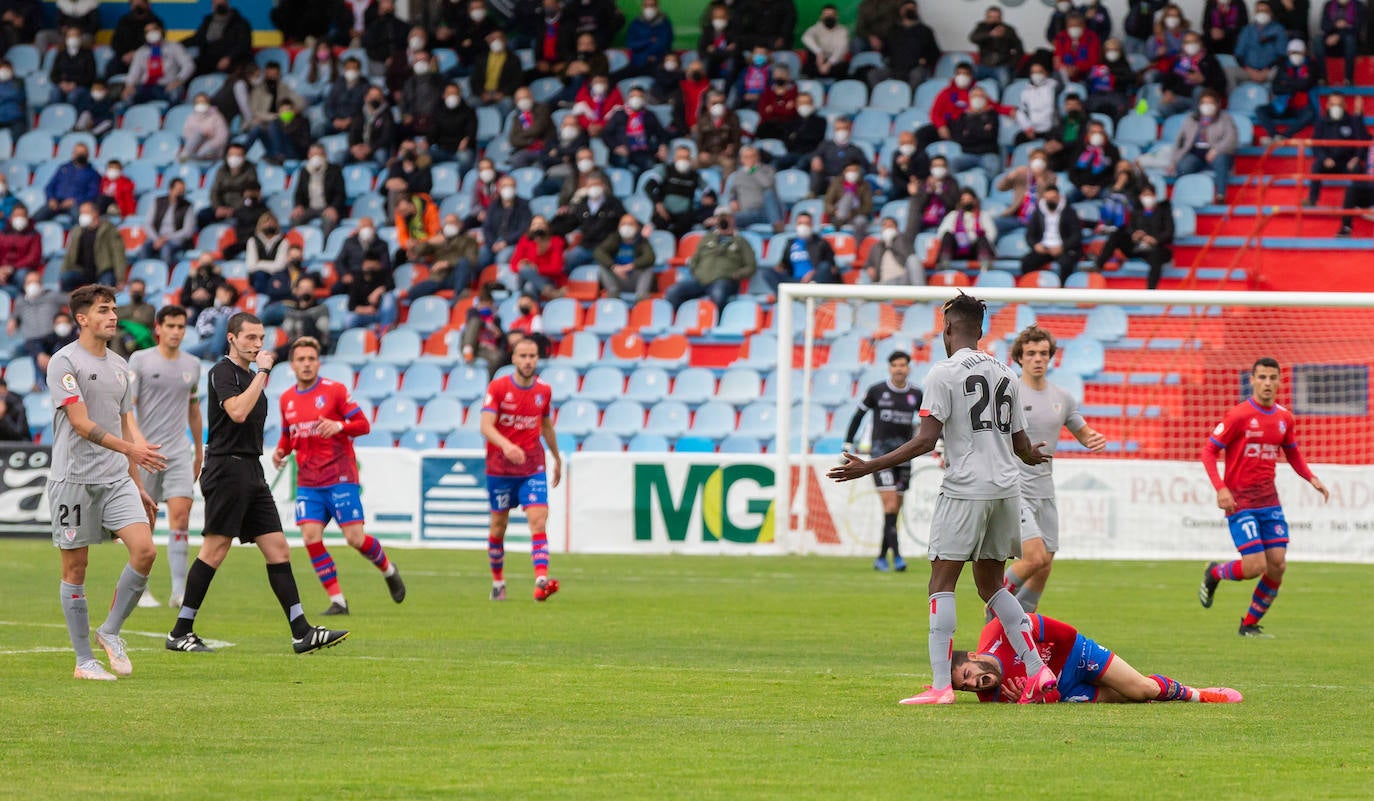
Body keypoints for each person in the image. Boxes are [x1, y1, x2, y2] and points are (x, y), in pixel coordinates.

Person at [828, 292, 1056, 705]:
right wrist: (1033, 455)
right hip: (1007, 490)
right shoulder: (1006, 372)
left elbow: (925, 441)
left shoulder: (943, 373)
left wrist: (870, 465)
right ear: (981, 330)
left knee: (941, 582)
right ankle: (1039, 670)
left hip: (966, 489)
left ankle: (940, 686)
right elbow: (1022, 445)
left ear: (947, 328)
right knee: (991, 586)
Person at [165, 312, 349, 655]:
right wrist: (263, 372)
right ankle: (180, 630)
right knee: (215, 550)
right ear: (232, 338)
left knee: (278, 549)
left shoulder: (249, 376)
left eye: (261, 338)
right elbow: (236, 412)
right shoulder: (223, 371)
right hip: (226, 470)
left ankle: (301, 632)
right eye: (250, 337)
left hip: (251, 470)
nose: (257, 344)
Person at [47, 284, 166, 680]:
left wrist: (137, 485)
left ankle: (110, 631)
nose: (113, 316)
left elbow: (122, 424)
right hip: (74, 480)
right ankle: (84, 662)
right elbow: (80, 424)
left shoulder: (120, 366)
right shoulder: (64, 362)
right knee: (76, 568)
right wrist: (132, 451)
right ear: (82, 318)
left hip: (116, 477)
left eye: (113, 309)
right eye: (103, 310)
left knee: (145, 550)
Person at [272, 337, 405, 615]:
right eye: (301, 360)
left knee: (355, 538)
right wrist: (281, 452)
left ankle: (388, 569)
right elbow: (288, 435)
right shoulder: (286, 399)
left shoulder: (335, 391)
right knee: (310, 537)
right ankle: (338, 601)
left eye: (311, 359)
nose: (306, 364)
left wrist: (339, 425)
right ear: (292, 365)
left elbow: (363, 425)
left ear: (318, 362)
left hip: (339, 476)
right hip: (308, 482)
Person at [1198, 357, 1329, 636]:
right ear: (1252, 380)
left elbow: (1292, 453)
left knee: (1278, 565)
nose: (1267, 383)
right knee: (1255, 565)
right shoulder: (1239, 416)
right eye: (1262, 378)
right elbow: (1208, 451)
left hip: (1269, 501)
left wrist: (1311, 477)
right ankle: (1215, 573)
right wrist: (1221, 487)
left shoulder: (1284, 418)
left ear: (1279, 381)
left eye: (1273, 378)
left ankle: (1249, 625)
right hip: (1240, 501)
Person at [998, 327, 1106, 613]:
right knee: (1033, 557)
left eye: (1043, 353)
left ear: (1051, 357)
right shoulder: (1009, 394)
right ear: (1019, 358)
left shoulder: (1063, 397)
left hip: (1045, 488)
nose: (1038, 359)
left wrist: (1092, 438)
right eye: (1031, 353)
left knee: (1045, 564)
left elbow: (1081, 431)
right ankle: (996, 606)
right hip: (1014, 487)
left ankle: (1020, 626)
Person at [950, 614, 1243, 704]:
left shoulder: (1002, 629)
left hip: (1077, 654)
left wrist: (1043, 675)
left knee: (1143, 688)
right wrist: (1033, 699)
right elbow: (1046, 703)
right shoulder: (993, 697)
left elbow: (1065, 634)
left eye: (968, 675)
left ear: (974, 655)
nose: (974, 684)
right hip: (1066, 690)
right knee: (1133, 698)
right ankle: (1157, 694)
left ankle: (1199, 694)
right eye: (966, 688)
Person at [127, 305, 202, 610]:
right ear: (158, 328)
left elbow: (193, 409)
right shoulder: (140, 360)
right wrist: (138, 443)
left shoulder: (193, 364)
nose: (175, 332)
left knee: (181, 518)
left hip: (179, 452)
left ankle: (179, 592)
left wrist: (199, 448)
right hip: (146, 454)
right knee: (144, 522)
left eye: (181, 326)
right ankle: (140, 589)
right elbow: (127, 408)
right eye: (170, 325)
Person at [480, 338, 563, 602]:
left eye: (532, 356)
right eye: (523, 356)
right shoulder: (498, 387)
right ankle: (498, 582)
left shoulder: (544, 391)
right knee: (498, 527)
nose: (528, 361)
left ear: (537, 359)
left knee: (538, 521)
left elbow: (546, 426)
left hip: (532, 467)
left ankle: (541, 580)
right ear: (513, 359)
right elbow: (485, 425)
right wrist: (506, 446)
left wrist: (557, 457)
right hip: (500, 469)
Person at [843, 351, 922, 572]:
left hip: (905, 457)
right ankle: (897, 557)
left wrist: (941, 443)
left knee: (894, 509)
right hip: (879, 457)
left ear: (908, 368)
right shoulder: (877, 391)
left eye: (902, 365)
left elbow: (930, 420)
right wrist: (848, 444)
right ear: (889, 368)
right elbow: (858, 416)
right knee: (889, 504)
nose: (899, 368)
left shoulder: (916, 394)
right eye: (895, 365)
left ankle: (880, 557)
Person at [666, 209, 757, 310]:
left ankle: (716, 322)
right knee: (673, 292)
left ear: (732, 219)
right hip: (700, 280)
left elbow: (751, 266)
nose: (723, 220)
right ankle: (689, 318)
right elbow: (694, 259)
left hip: (724, 280)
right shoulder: (707, 238)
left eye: (726, 217)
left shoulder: (741, 241)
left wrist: (735, 275)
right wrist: (697, 272)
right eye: (719, 217)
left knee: (718, 295)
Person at [1093, 184, 1175, 288]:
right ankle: (1098, 265)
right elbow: (1129, 228)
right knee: (1116, 235)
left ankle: (1151, 291)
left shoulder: (1164, 211)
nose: (1146, 198)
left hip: (1156, 248)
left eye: (1149, 194)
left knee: (1156, 256)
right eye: (1144, 195)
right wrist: (1134, 234)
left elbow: (1169, 232)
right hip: (1137, 247)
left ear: (1155, 196)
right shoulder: (1137, 211)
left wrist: (1155, 239)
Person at [1168, 91, 1238, 205]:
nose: (1207, 106)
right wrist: (1173, 161)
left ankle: (1220, 195)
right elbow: (1179, 141)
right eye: (1204, 103)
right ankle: (1183, 196)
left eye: (1210, 103)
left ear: (1217, 104)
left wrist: (1216, 150)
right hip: (1195, 153)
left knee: (1221, 159)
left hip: (1216, 154)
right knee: (1184, 166)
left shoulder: (1225, 118)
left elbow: (1231, 139)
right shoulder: (1191, 118)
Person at [1255, 40, 1322, 144]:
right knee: (1260, 110)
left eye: (1298, 52)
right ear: (1288, 53)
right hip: (1283, 105)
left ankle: (1284, 136)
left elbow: (1305, 85)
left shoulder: (1312, 66)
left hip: (1301, 106)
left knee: (1309, 114)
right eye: (1292, 53)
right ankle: (1274, 135)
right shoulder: (1282, 66)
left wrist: (1287, 82)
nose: (1295, 55)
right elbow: (1276, 88)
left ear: (1304, 53)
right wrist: (1296, 83)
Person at [1310, 94, 1369, 207]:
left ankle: (1360, 203)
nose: (1336, 107)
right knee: (1316, 166)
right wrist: (1324, 158)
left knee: (1358, 168)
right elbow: (1315, 144)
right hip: (1328, 162)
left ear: (1345, 106)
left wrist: (1356, 158)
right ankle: (1312, 200)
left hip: (1347, 163)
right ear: (1327, 105)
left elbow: (1362, 140)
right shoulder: (1321, 122)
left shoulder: (1352, 120)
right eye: (1333, 104)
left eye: (1339, 105)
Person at [1019, 183, 1084, 283]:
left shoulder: (1069, 212)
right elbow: (1029, 235)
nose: (1050, 200)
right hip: (1044, 248)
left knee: (1067, 264)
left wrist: (1063, 247)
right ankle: (1031, 289)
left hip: (1063, 248)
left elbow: (1076, 235)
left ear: (1059, 197)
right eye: (1047, 198)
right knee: (1027, 263)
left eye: (1053, 197)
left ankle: (1062, 292)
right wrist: (1036, 245)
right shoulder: (1038, 212)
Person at [763, 212, 837, 294]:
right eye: (800, 223)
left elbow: (831, 267)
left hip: (814, 280)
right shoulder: (790, 243)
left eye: (806, 223)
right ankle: (782, 297)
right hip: (794, 281)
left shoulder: (821, 243)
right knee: (768, 272)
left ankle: (812, 295)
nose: (803, 226)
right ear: (796, 225)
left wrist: (812, 273)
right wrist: (780, 267)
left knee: (824, 267)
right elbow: (785, 264)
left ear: (811, 225)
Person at [123, 20, 194, 104]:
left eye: (154, 29)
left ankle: (171, 116)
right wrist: (129, 85)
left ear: (161, 30)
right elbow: (134, 72)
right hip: (146, 87)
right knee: (128, 95)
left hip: (167, 86)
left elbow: (189, 65)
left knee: (175, 93)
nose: (151, 33)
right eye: (147, 31)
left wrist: (179, 80)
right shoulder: (140, 52)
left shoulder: (174, 47)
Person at [60, 203, 127, 291]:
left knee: (106, 286)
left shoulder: (109, 230)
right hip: (82, 271)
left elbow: (118, 254)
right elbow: (69, 254)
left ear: (95, 213)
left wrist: (120, 278)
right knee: (66, 278)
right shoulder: (77, 231)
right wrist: (64, 271)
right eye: (81, 213)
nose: (82, 216)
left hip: (102, 270)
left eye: (85, 213)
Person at [34, 143, 100, 224]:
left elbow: (93, 193)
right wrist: (51, 198)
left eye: (82, 153)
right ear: (73, 154)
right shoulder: (63, 168)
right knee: (35, 218)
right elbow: (50, 186)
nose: (80, 155)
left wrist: (75, 200)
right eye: (77, 152)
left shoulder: (92, 173)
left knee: (78, 219)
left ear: (87, 155)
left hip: (75, 204)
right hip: (56, 202)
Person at [594, 214, 655, 301]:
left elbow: (650, 257)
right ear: (619, 226)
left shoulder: (641, 240)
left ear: (637, 227)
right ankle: (613, 294)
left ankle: (642, 297)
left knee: (648, 268)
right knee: (602, 267)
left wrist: (628, 267)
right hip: (618, 278)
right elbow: (598, 252)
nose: (626, 227)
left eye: (630, 224)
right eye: (624, 224)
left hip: (635, 278)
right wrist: (614, 267)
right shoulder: (614, 238)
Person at [935, 189, 996, 272]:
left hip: (976, 249)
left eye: (969, 199)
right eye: (964, 200)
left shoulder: (983, 215)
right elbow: (941, 233)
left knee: (982, 237)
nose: (966, 202)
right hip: (956, 249)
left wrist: (971, 238)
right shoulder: (953, 215)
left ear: (975, 200)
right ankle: (944, 265)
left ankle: (986, 267)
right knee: (947, 235)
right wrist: (960, 237)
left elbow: (992, 234)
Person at [143, 178, 197, 266]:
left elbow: (188, 231)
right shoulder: (158, 202)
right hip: (157, 237)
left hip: (175, 240)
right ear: (170, 190)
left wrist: (166, 238)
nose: (180, 193)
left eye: (182, 191)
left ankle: (164, 274)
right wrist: (156, 239)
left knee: (166, 249)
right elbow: (148, 224)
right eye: (178, 190)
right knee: (145, 247)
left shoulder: (187, 206)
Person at [968, 6, 1023, 87]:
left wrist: (1012, 64)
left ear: (1001, 18)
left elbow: (1019, 48)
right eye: (991, 17)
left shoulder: (1008, 30)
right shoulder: (981, 27)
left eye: (996, 17)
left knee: (1005, 83)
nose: (994, 20)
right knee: (969, 79)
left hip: (1002, 65)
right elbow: (973, 38)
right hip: (983, 65)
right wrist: (990, 34)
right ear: (986, 18)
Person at [1315, 0, 1365, 86]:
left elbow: (1357, 28)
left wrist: (1339, 36)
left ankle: (1348, 79)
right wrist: (1335, 25)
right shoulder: (1329, 5)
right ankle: (1322, 78)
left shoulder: (1359, 6)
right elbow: (1323, 25)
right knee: (1318, 39)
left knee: (1350, 40)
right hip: (1331, 43)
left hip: (1349, 45)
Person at [864, 216, 922, 285]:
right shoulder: (876, 247)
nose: (888, 228)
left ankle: (922, 293)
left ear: (896, 229)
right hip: (884, 282)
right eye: (885, 226)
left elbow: (908, 256)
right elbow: (868, 264)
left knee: (913, 259)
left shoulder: (904, 240)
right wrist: (869, 269)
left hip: (903, 280)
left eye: (890, 226)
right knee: (862, 278)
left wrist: (894, 240)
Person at [1336, 142, 1374, 237]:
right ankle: (1346, 227)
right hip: (1369, 187)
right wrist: (1356, 158)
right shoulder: (1368, 142)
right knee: (1352, 189)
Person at [179, 93, 230, 162]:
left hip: (213, 149)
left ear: (208, 103)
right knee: (198, 133)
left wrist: (209, 141)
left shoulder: (217, 117)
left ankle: (189, 157)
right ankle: (186, 156)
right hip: (195, 147)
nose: (201, 104)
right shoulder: (191, 117)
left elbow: (223, 137)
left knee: (201, 151)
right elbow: (186, 133)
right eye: (198, 102)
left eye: (203, 102)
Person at [0, 375, 30, 441]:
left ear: (6, 392)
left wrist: (3, 417)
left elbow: (19, 434)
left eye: (1, 395)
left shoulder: (17, 406)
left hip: (18, 446)